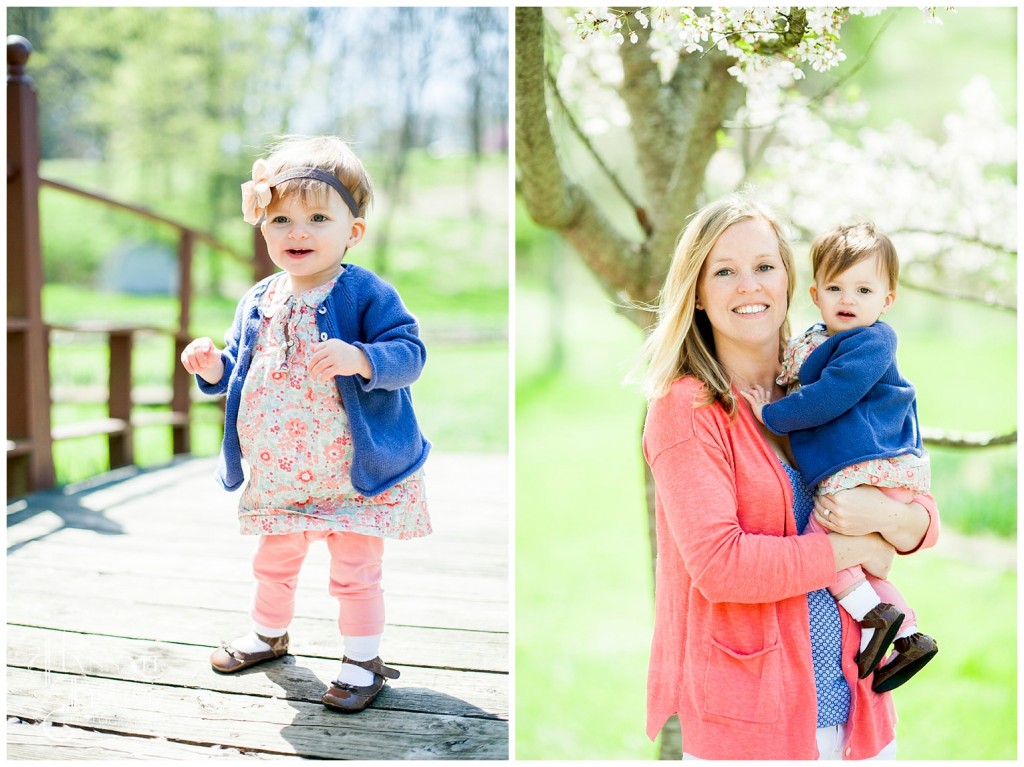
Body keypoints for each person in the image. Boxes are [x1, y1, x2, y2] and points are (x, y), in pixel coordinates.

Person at [638, 195, 940, 759]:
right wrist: (856, 545)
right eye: (724, 271)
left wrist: (887, 519)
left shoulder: (827, 377)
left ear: (789, 279)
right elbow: (721, 567)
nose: (749, 285)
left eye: (764, 266)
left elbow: (916, 507)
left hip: (861, 712)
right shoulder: (687, 408)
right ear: (697, 294)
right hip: (754, 722)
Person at [180, 135, 431, 713]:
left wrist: (361, 357)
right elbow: (243, 370)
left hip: (351, 470)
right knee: (273, 559)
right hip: (282, 470)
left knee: (355, 568)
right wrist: (213, 367)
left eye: (319, 217)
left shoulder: (364, 292)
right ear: (262, 227)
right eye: (282, 219)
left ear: (353, 231)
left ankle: (362, 658)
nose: (299, 232)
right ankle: (269, 634)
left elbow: (409, 352)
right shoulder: (258, 299)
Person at [740, 223, 937, 693]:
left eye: (864, 289)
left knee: (821, 545)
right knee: (858, 563)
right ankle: (906, 635)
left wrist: (769, 413)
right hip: (858, 469)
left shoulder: (872, 342)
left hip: (870, 466)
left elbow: (829, 396)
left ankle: (878, 619)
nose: (848, 299)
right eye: (835, 288)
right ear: (815, 293)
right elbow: (799, 369)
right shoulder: (820, 337)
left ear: (887, 300)